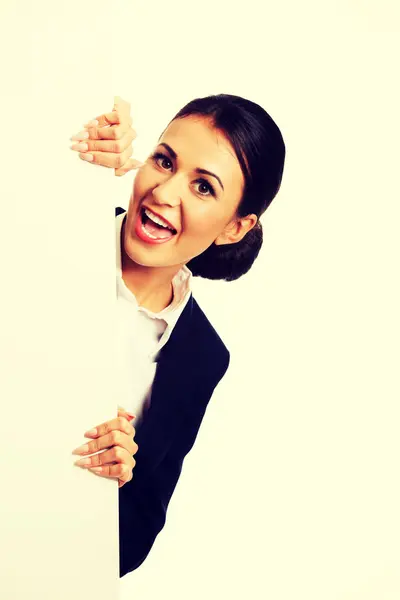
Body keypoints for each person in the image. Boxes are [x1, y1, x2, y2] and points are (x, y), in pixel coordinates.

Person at [70, 94, 286, 577]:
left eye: (204, 187)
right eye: (164, 160)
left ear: (236, 227)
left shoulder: (202, 356)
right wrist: (73, 148)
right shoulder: (59, 228)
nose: (165, 192)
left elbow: (135, 538)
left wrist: (109, 488)